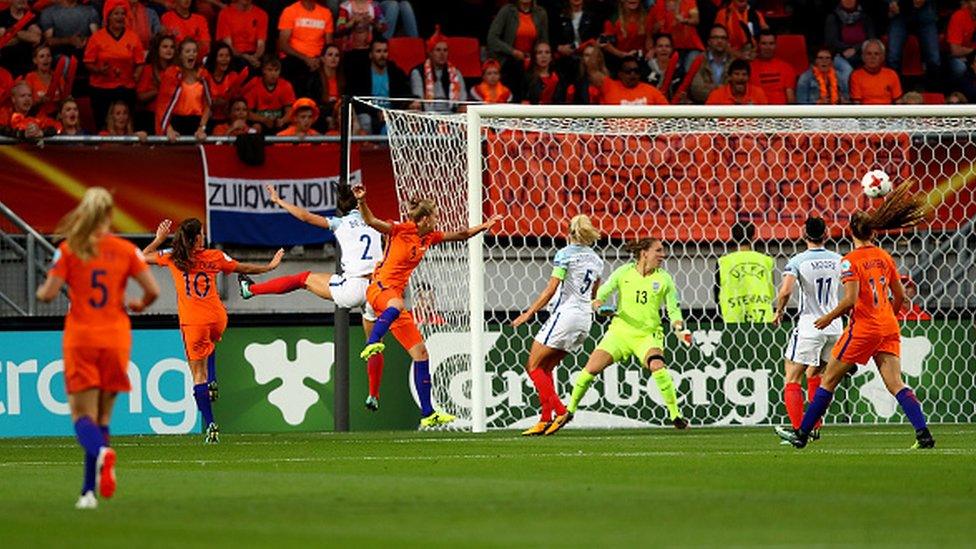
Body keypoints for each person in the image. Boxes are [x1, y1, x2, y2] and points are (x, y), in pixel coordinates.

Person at [777, 182, 936, 450]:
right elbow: (900, 296)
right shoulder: (885, 256)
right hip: (888, 327)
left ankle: (802, 434)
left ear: (851, 232)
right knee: (896, 384)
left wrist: (829, 317)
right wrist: (890, 317)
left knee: (827, 380)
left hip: (862, 329)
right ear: (873, 232)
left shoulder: (850, 261)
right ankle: (923, 434)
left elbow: (850, 299)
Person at [35, 187, 160, 509]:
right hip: (116, 336)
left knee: (81, 416)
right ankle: (88, 492)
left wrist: (42, 289)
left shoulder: (68, 249)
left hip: (81, 337)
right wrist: (140, 304)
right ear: (109, 215)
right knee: (103, 417)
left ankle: (102, 455)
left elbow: (48, 294)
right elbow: (153, 291)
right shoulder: (126, 249)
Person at [353, 185, 502, 427]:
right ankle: (373, 342)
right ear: (423, 219)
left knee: (421, 353)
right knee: (397, 303)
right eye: (434, 217)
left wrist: (484, 227)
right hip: (379, 288)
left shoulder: (429, 237)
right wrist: (362, 201)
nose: (437, 221)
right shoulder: (401, 230)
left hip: (394, 304)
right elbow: (371, 220)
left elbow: (461, 234)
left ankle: (427, 413)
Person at [239, 184, 388, 409]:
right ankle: (374, 395)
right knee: (374, 343)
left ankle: (250, 290)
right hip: (376, 288)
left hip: (352, 286)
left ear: (340, 207)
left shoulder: (340, 222)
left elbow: (305, 217)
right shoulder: (376, 223)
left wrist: (279, 201)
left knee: (303, 279)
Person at [143, 218, 284, 443]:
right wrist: (270, 267)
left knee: (198, 375)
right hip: (217, 318)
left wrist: (158, 240)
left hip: (193, 322)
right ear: (197, 238)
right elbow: (244, 268)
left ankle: (211, 425)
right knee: (211, 342)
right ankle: (214, 379)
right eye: (201, 233)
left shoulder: (173, 256)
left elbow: (140, 258)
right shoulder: (215, 256)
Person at [554, 238, 693, 435]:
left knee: (657, 365)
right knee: (590, 369)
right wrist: (600, 307)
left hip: (647, 335)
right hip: (619, 333)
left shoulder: (664, 279)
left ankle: (675, 416)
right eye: (658, 251)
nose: (663, 255)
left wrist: (680, 329)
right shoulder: (623, 273)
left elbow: (674, 310)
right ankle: (569, 411)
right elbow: (599, 296)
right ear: (644, 253)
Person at [511, 215, 604, 436]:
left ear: (568, 233)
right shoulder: (597, 261)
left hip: (566, 316)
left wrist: (528, 313)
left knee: (533, 366)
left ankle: (561, 411)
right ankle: (544, 419)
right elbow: (594, 294)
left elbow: (550, 289)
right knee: (546, 368)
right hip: (584, 319)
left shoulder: (564, 255)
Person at [772, 217, 842, 438]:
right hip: (834, 326)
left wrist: (779, 311)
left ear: (804, 234)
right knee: (817, 373)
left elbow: (785, 291)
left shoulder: (798, 261)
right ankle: (815, 427)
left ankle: (798, 430)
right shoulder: (839, 260)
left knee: (792, 376)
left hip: (810, 325)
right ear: (826, 234)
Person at [83, 0, 145, 131]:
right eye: (116, 13)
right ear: (108, 16)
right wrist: (99, 70)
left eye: (123, 13)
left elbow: (140, 62)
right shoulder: (97, 38)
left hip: (126, 88)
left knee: (127, 124)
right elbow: (88, 62)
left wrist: (137, 74)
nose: (120, 17)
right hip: (101, 89)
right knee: (103, 126)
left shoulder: (133, 37)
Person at [345, 38, 414, 134]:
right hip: (369, 113)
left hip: (391, 114)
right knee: (365, 119)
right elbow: (357, 100)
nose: (382, 55)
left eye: (385, 51)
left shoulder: (395, 72)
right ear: (370, 55)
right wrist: (376, 112)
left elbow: (405, 93)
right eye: (378, 51)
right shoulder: (361, 73)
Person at [487, 0, 549, 100]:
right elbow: (492, 38)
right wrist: (512, 51)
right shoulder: (507, 11)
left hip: (531, 63)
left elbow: (544, 42)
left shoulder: (541, 13)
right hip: (508, 62)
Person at [716, 221, 775, 323]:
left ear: (733, 238)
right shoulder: (766, 260)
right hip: (763, 316)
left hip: (733, 317)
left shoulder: (723, 262)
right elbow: (771, 288)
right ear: (753, 237)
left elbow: (717, 292)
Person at [156, 38, 212, 139]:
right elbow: (162, 104)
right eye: (187, 51)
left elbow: (208, 104)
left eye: (194, 51)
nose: (192, 54)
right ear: (180, 55)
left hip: (196, 124)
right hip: (176, 123)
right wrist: (168, 129)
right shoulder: (172, 73)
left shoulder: (203, 75)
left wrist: (201, 128)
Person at [278, 0, 334, 99]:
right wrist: (305, 59)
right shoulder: (290, 11)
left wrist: (319, 59)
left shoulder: (326, 13)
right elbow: (283, 44)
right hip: (295, 58)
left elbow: (329, 45)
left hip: (317, 60)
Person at [411, 25, 468, 112]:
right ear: (430, 52)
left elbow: (462, 100)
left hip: (452, 116)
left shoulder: (455, 73)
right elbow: (419, 100)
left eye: (445, 50)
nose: (442, 54)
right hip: (428, 116)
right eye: (438, 50)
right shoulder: (418, 72)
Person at [885, 0, 940, 78]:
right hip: (899, 13)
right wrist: (891, 3)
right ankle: (894, 86)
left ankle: (932, 88)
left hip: (925, 13)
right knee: (893, 57)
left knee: (934, 59)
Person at [135, 33, 176, 133]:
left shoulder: (177, 71)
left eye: (172, 47)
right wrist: (158, 91)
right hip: (150, 117)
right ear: (157, 49)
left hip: (173, 116)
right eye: (165, 47)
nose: (169, 50)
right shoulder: (148, 70)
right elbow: (140, 97)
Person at [244, 56, 296, 133]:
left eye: (276, 70)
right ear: (263, 70)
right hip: (259, 121)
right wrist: (264, 120)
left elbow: (290, 110)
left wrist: (283, 121)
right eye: (270, 70)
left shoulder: (285, 85)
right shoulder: (254, 84)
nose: (273, 74)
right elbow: (247, 113)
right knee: (255, 128)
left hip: (279, 122)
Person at [824, 0, 876, 75]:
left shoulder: (865, 17)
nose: (848, 1)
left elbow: (871, 39)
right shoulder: (833, 17)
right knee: (847, 70)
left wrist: (855, 48)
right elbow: (831, 42)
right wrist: (846, 49)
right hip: (839, 55)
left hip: (862, 53)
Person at [206, 42, 250, 130]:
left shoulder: (233, 76)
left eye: (227, 56)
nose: (225, 59)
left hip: (228, 121)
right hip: (207, 120)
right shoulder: (205, 76)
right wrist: (213, 103)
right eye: (221, 56)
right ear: (214, 58)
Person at [648, 0, 703, 66]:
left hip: (692, 47)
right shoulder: (658, 4)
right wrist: (652, 49)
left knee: (690, 70)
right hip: (671, 49)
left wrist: (684, 20)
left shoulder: (689, 1)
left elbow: (696, 20)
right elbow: (650, 32)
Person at [216, 0, 269, 69]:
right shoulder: (225, 13)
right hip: (233, 56)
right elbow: (228, 46)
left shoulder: (261, 14)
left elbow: (261, 45)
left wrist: (255, 58)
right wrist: (246, 57)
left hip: (254, 56)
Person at [849, 39, 902, 105]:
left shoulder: (891, 74)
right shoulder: (856, 76)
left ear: (883, 57)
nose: (872, 57)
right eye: (869, 54)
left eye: (876, 54)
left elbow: (898, 103)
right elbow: (857, 105)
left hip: (887, 114)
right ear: (863, 57)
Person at [25, 44, 72, 117]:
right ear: (35, 60)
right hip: (37, 117)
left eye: (48, 56)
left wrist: (66, 100)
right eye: (42, 56)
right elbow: (26, 104)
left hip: (57, 116)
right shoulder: (30, 78)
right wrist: (40, 102)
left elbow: (64, 100)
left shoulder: (58, 77)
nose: (46, 59)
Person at [688, 24, 731, 103]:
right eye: (715, 37)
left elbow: (736, 91)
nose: (719, 41)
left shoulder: (734, 62)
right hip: (704, 109)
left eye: (723, 38)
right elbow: (696, 90)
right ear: (709, 41)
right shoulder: (699, 60)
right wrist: (723, 90)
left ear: (727, 42)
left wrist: (711, 87)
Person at [600, 0, 651, 67]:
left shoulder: (646, 17)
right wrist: (623, 55)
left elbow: (649, 39)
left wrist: (651, 50)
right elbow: (604, 42)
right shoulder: (614, 18)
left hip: (642, 60)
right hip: (620, 61)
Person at [750, 30, 795, 104]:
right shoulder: (749, 67)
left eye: (771, 43)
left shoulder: (786, 67)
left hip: (781, 113)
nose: (768, 47)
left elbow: (790, 98)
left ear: (775, 45)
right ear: (758, 45)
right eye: (764, 43)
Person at [601, 54, 668, 104]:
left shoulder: (652, 91)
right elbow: (593, 71)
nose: (632, 74)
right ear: (620, 74)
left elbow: (668, 113)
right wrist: (597, 46)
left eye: (636, 71)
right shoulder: (609, 87)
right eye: (628, 71)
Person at [0, 0, 43, 77]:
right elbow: (2, 43)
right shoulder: (1, 17)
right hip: (5, 65)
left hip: (28, 65)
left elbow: (36, 38)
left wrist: (12, 33)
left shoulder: (32, 16)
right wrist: (25, 35)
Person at [645, 33, 684, 100]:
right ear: (654, 49)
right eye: (660, 46)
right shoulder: (646, 68)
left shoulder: (679, 70)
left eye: (667, 46)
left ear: (672, 49)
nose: (664, 49)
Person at [946, 0, 976, 79]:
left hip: (972, 56)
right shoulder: (959, 16)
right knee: (960, 68)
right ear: (968, 3)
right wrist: (973, 51)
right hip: (955, 57)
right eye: (974, 1)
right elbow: (955, 51)